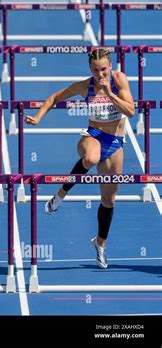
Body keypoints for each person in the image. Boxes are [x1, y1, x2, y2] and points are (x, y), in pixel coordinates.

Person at [26, 49, 135, 269]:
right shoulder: (86, 86)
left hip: (115, 143)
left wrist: (110, 94)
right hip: (93, 136)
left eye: (103, 69)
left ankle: (100, 243)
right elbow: (55, 97)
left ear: (110, 66)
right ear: (90, 69)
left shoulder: (118, 80)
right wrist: (38, 117)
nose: (100, 74)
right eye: (95, 70)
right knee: (91, 158)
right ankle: (60, 194)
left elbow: (131, 110)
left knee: (109, 200)